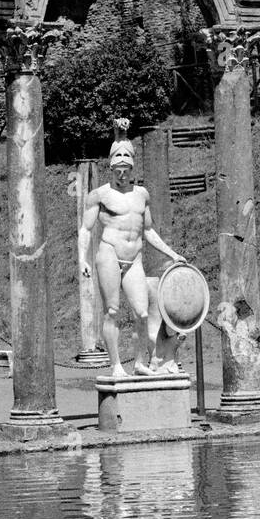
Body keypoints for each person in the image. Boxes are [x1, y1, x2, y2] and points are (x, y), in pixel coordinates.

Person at [78, 131, 184, 378]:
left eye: (126, 170)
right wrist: (83, 259)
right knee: (112, 311)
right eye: (118, 170)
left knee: (142, 313)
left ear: (132, 168)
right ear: (111, 168)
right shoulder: (100, 195)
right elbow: (85, 229)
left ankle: (139, 363)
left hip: (134, 257)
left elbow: (148, 231)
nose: (122, 174)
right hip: (109, 253)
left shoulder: (141, 194)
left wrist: (172, 254)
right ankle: (116, 365)